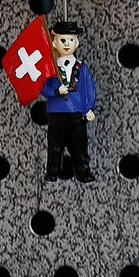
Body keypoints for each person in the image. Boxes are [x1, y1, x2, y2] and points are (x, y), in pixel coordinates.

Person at [41, 21, 96, 183]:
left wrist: (89, 108)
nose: (67, 44)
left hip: (76, 113)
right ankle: (52, 170)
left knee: (79, 145)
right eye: (63, 40)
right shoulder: (51, 69)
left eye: (71, 40)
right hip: (57, 112)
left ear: (76, 42)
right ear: (54, 42)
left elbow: (88, 88)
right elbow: (43, 88)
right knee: (55, 145)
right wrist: (56, 92)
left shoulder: (81, 67)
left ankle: (83, 171)